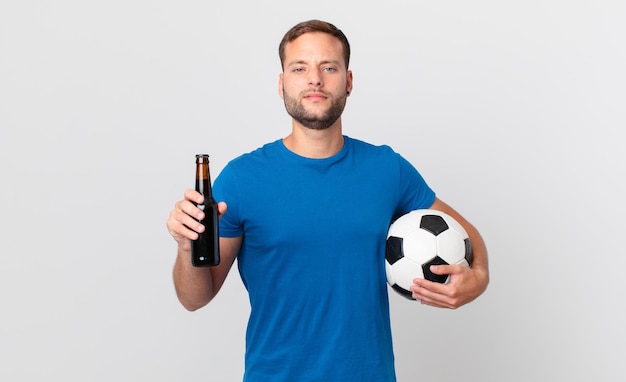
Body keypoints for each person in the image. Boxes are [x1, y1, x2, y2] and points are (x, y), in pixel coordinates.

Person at [166, 19, 489, 382]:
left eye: (329, 67)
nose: (314, 79)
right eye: (299, 68)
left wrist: (478, 277)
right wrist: (184, 248)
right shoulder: (242, 179)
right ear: (281, 83)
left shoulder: (386, 169)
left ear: (348, 82)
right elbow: (194, 298)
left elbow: (465, 233)